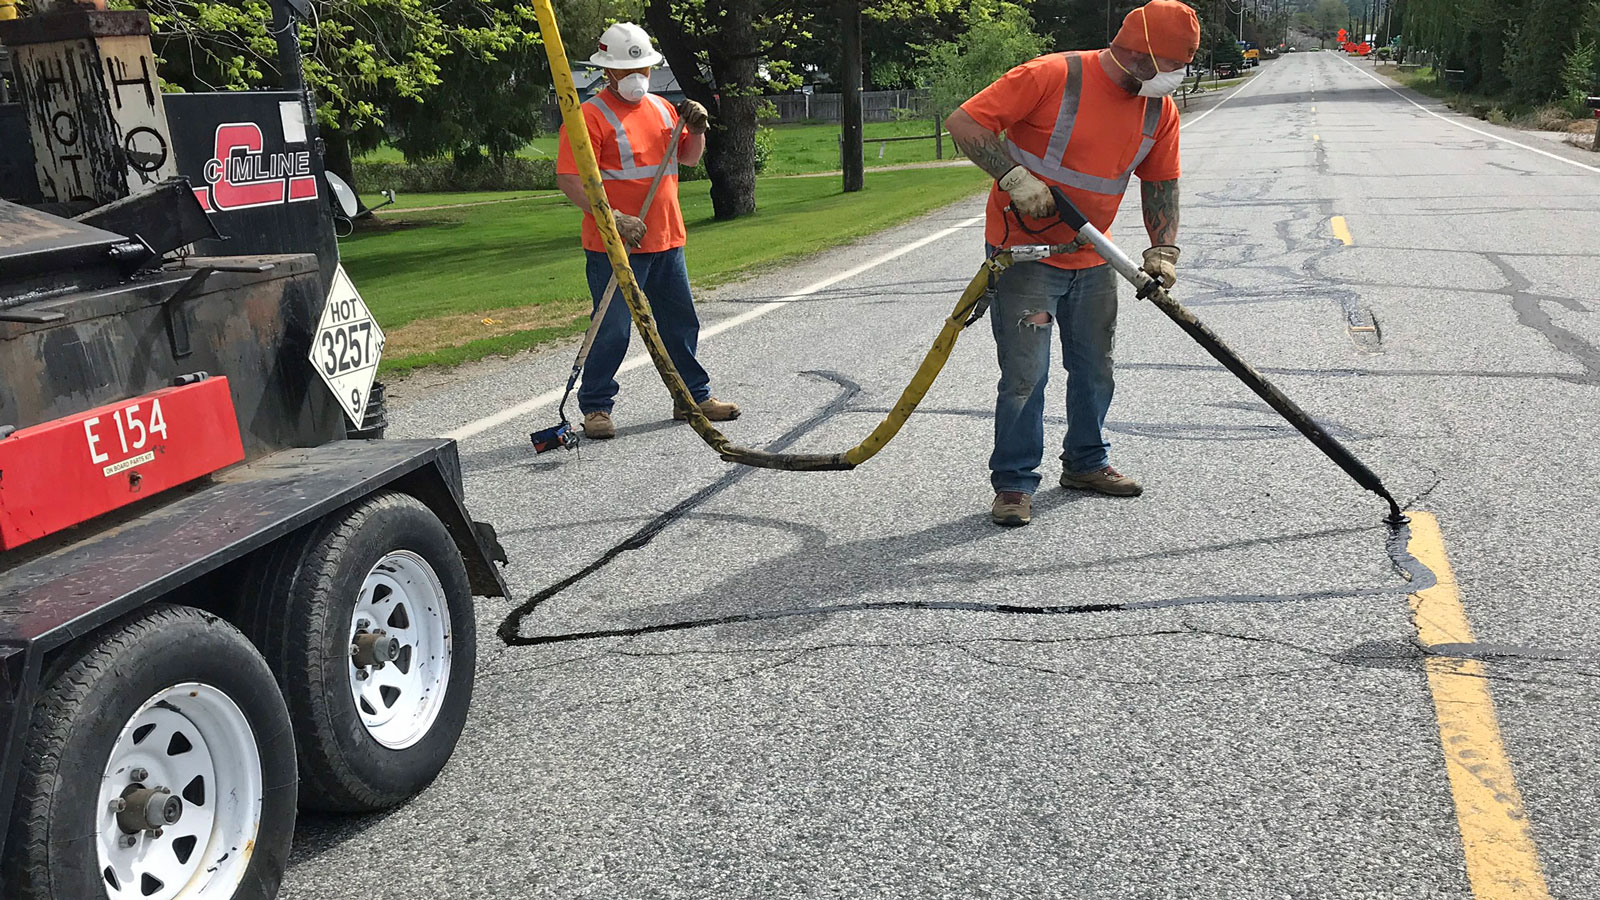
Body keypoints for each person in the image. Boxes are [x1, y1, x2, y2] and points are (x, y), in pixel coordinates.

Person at [944, 0, 1199, 527]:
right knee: (1024, 375)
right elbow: (965, 123)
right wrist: (1013, 177)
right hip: (1024, 256)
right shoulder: (1051, 75)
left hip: (1094, 256)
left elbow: (1161, 182)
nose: (1175, 78)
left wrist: (1163, 249)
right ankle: (1014, 484)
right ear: (1138, 52)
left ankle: (1086, 462)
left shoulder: (1159, 109)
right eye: (1171, 66)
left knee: (1095, 369)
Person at [555, 22, 740, 441]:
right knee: (613, 328)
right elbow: (569, 179)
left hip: (666, 239)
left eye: (643, 70)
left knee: (680, 323)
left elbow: (689, 159)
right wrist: (613, 218)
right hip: (614, 247)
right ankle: (596, 407)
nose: (638, 78)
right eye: (627, 71)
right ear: (608, 72)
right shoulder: (587, 117)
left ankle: (692, 397)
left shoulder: (661, 108)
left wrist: (698, 128)